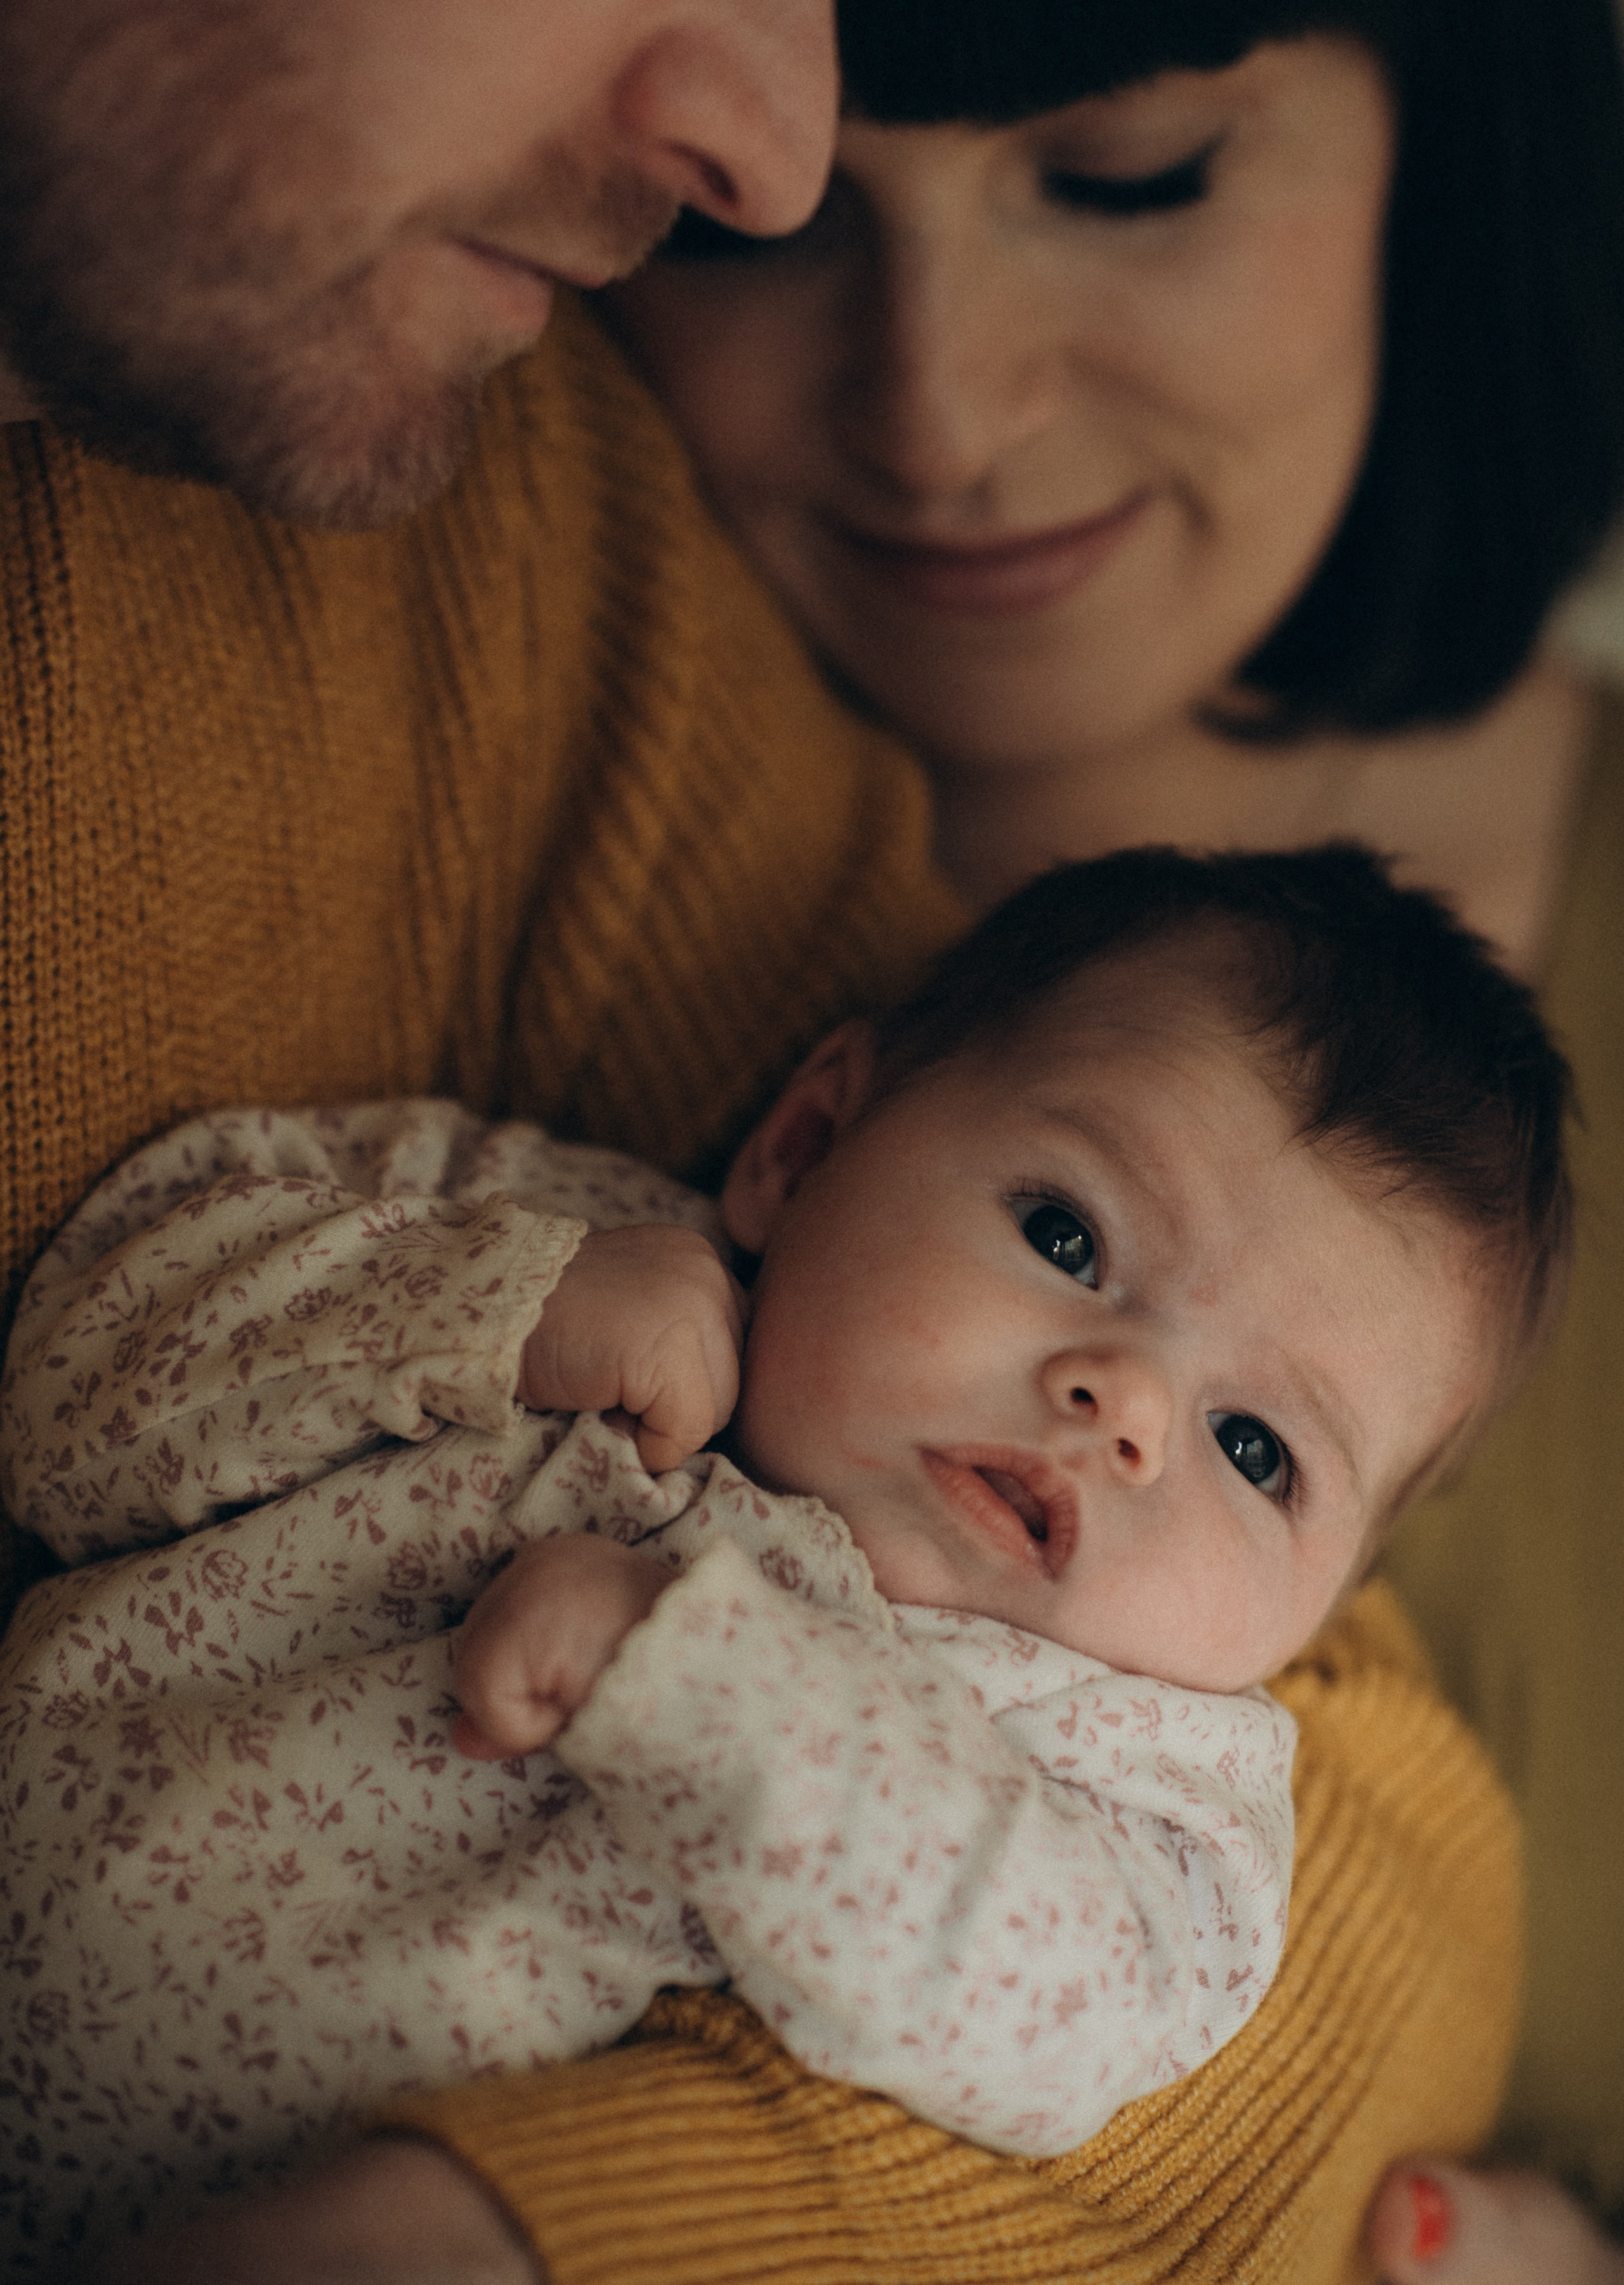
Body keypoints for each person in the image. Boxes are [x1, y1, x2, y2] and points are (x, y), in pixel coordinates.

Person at [0, 0, 1614, 2282]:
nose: (943, 421)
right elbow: (127, 1345)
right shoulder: (486, 592)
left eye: (1133, 174)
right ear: (813, 1130)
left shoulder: (1127, 1729)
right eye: (781, 230)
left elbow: (1208, 1949)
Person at [0, 845, 1566, 2271]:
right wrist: (499, 1309)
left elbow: (1040, 2019)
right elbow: (69, 1393)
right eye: (1065, 1238)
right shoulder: (554, 1230)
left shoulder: (1148, 1783)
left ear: (1321, 1611)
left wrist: (692, 1681)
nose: (1130, 1408)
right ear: (807, 1146)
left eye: (1256, 1450)